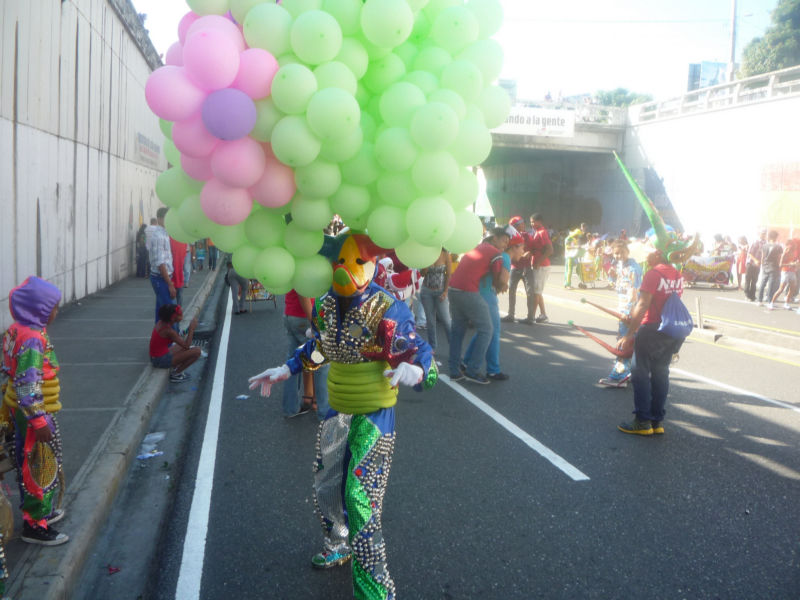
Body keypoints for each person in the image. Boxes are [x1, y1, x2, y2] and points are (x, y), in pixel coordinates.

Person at [247, 231, 436, 600]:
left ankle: (375, 591)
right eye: (339, 263)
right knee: (327, 484)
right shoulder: (326, 305)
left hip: (374, 414)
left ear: (371, 265)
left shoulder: (387, 307)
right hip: (336, 408)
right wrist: (288, 369)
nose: (346, 270)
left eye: (356, 262)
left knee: (359, 499)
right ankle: (338, 543)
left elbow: (416, 349)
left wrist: (417, 371)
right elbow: (320, 348)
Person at [0, 277, 69, 545]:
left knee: (41, 462)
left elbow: (9, 372)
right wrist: (39, 421)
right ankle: (34, 524)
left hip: (27, 412)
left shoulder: (18, 330)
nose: (56, 312)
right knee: (37, 466)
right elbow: (27, 385)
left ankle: (43, 512)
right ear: (39, 309)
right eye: (53, 307)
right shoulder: (31, 339)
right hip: (34, 416)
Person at [616, 248, 684, 435]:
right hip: (671, 330)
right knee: (661, 373)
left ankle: (642, 421)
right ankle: (657, 421)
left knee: (640, 373)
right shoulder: (677, 273)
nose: (645, 254)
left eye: (648, 251)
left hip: (652, 328)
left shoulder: (653, 274)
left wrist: (629, 334)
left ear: (658, 253)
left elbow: (643, 304)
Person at [448, 227, 510, 383]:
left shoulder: (475, 248)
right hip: (468, 292)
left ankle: (454, 371)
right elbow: (496, 280)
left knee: (458, 332)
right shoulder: (495, 253)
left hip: (453, 289)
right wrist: (502, 285)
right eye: (504, 240)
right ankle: (473, 371)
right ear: (494, 238)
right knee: (487, 330)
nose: (505, 245)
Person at [464, 229, 524, 381]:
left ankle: (466, 362)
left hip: (479, 293)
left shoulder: (500, 255)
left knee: (483, 332)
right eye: (522, 247)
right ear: (514, 247)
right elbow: (502, 282)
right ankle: (492, 369)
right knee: (493, 332)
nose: (523, 251)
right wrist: (503, 285)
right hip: (486, 296)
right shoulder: (505, 257)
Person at [599, 240, 642, 387]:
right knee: (629, 341)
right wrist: (611, 275)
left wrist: (629, 311)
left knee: (624, 342)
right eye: (615, 253)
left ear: (627, 251)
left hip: (629, 309)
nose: (618, 256)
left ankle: (618, 376)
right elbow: (617, 284)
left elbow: (633, 291)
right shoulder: (620, 265)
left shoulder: (633, 267)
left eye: (620, 253)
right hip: (623, 306)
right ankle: (630, 372)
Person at [281, 289, 330, 419]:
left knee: (292, 363)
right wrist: (314, 323)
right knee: (321, 362)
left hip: (290, 314)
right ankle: (324, 411)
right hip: (303, 317)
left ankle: (290, 408)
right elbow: (303, 292)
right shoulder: (303, 268)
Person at [149, 304, 201, 382]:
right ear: (173, 318)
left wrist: (187, 330)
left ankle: (177, 364)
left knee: (181, 346)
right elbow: (187, 346)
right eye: (180, 314)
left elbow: (180, 340)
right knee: (197, 351)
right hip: (160, 360)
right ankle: (176, 374)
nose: (182, 315)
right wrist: (191, 329)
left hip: (155, 357)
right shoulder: (169, 331)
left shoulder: (161, 322)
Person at [419, 248, 452, 353]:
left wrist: (445, 291)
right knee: (430, 320)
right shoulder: (426, 253)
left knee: (446, 320)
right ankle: (432, 346)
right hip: (426, 291)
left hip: (440, 291)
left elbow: (449, 274)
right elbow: (422, 274)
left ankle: (453, 345)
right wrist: (427, 264)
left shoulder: (446, 254)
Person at [146, 207, 176, 322]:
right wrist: (170, 284)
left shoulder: (165, 234)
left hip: (164, 277)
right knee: (169, 313)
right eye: (167, 218)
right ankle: (169, 338)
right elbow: (160, 263)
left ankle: (159, 339)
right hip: (161, 278)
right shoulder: (159, 236)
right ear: (159, 219)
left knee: (162, 312)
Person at [501, 216, 533, 324]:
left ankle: (530, 317)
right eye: (520, 223)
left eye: (523, 222)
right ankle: (511, 315)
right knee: (511, 291)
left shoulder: (527, 236)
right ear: (514, 226)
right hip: (514, 267)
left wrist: (529, 253)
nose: (523, 224)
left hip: (526, 267)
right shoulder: (509, 237)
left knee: (529, 292)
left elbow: (533, 248)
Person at [527, 213, 554, 323]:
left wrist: (538, 261)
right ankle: (543, 315)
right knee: (538, 291)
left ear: (540, 222)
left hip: (542, 266)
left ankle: (532, 317)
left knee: (536, 292)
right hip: (539, 265)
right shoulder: (537, 232)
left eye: (533, 221)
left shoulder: (542, 232)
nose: (532, 224)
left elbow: (550, 250)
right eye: (531, 221)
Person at [768, 239, 799, 309]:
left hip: (792, 272)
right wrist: (790, 264)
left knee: (792, 289)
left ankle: (786, 303)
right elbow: (780, 265)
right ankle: (771, 303)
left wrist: (796, 264)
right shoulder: (785, 252)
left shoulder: (794, 252)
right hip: (785, 272)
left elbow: (795, 262)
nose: (794, 246)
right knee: (781, 289)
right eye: (792, 245)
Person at [756, 230, 782, 305]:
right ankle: (770, 301)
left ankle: (759, 300)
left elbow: (762, 257)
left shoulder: (764, 246)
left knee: (762, 284)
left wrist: (762, 266)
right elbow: (779, 258)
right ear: (775, 237)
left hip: (765, 266)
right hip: (774, 267)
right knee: (771, 285)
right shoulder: (778, 246)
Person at [744, 228, 767, 301]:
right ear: (759, 234)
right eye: (762, 233)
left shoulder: (765, 243)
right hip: (751, 263)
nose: (763, 235)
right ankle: (747, 295)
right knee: (748, 279)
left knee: (754, 280)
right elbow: (750, 253)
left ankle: (752, 295)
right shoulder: (755, 242)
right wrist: (756, 260)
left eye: (764, 233)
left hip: (758, 265)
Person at [169, 235, 187, 307]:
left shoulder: (169, 238)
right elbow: (184, 253)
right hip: (179, 273)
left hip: (171, 273)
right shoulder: (183, 239)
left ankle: (173, 312)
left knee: (171, 296)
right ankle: (178, 311)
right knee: (179, 295)